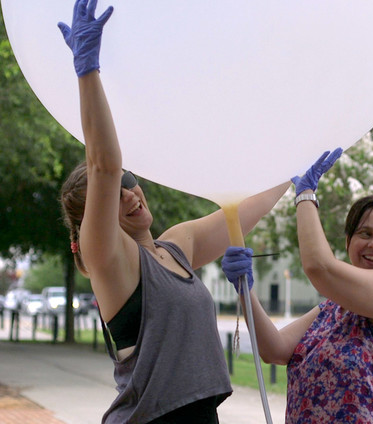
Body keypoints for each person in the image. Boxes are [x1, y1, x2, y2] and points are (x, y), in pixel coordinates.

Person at [57, 1, 289, 422]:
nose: (128, 194)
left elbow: (244, 210)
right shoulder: (110, 260)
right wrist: (87, 70)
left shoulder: (177, 245)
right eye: (114, 195)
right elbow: (104, 166)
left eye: (130, 183)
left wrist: (296, 174)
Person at [221, 150, 373, 423]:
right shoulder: (333, 308)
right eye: (365, 233)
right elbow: (274, 349)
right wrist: (245, 291)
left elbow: (319, 267)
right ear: (349, 241)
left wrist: (305, 195)